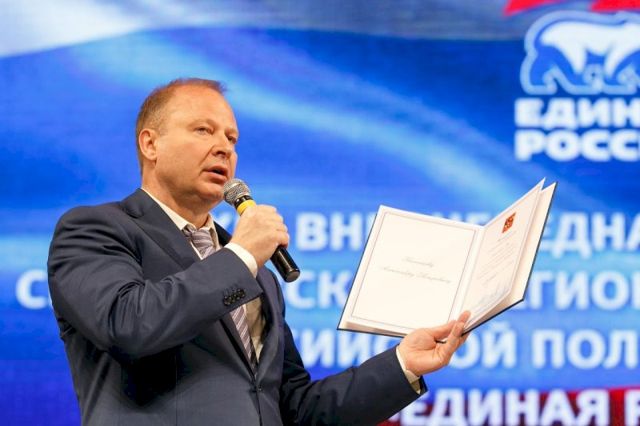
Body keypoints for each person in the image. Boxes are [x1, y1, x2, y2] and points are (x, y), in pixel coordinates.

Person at [47, 78, 470, 426]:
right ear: (150, 144)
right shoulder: (95, 229)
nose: (224, 147)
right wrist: (242, 255)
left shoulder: (257, 274)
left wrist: (403, 363)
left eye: (231, 138)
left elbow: (296, 409)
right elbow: (128, 325)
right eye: (203, 130)